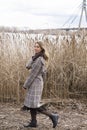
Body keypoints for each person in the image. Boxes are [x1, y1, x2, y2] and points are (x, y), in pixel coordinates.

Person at [22, 41, 59, 128]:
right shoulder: (36, 57)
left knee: (34, 105)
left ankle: (53, 116)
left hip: (36, 84)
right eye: (35, 46)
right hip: (34, 83)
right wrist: (33, 57)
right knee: (32, 104)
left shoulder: (39, 60)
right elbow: (27, 66)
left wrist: (25, 85)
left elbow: (33, 74)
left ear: (41, 48)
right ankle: (33, 122)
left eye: (38, 47)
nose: (35, 48)